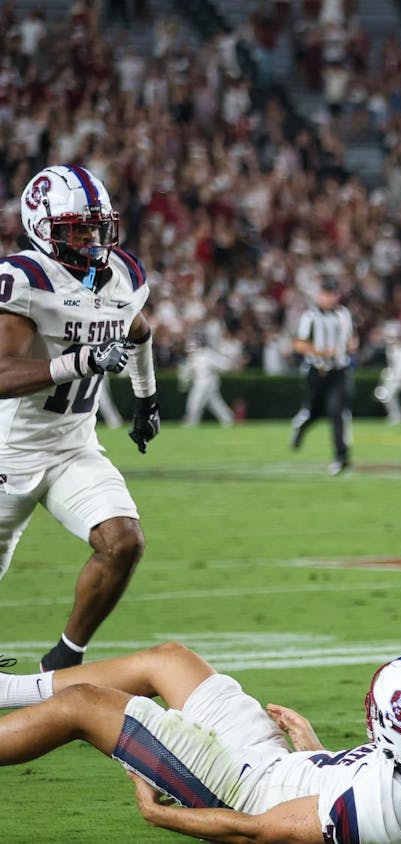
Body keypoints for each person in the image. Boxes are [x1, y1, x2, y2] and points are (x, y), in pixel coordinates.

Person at [0, 642, 401, 842]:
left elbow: (257, 832)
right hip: (280, 766)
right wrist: (315, 754)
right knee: (169, 660)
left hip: (238, 789)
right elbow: (388, 770)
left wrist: (160, 815)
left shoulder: (388, 811)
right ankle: (10, 689)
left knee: (83, 705)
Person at [0, 165, 160, 672]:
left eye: (96, 226)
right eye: (76, 228)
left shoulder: (123, 276)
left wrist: (146, 399)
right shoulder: (26, 279)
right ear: (42, 227)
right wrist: (80, 361)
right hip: (9, 450)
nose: (91, 238)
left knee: (124, 541)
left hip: (73, 447)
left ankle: (64, 660)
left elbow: (138, 331)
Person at [290, 278, 357, 475]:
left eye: (332, 294)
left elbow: (351, 338)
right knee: (315, 411)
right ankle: (301, 427)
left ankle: (341, 456)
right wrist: (319, 352)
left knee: (337, 411)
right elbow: (299, 344)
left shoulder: (344, 314)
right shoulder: (309, 317)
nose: (329, 298)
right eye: (326, 294)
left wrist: (350, 346)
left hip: (339, 371)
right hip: (317, 371)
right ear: (320, 295)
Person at [179, 334, 237, 427]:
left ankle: (191, 420)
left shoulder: (206, 354)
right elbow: (186, 374)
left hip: (208, 381)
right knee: (214, 402)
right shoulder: (191, 359)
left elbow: (222, 363)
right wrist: (184, 383)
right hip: (200, 382)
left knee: (195, 400)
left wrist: (228, 366)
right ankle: (228, 419)